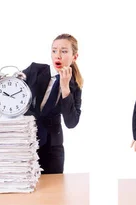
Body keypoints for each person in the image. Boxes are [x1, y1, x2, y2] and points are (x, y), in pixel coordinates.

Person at [23, 33, 83, 174]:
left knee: (53, 192)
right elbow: (13, 88)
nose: (58, 55)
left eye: (64, 51)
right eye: (54, 50)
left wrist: (65, 88)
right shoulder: (34, 70)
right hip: (25, 141)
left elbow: (71, 122)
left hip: (52, 149)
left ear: (74, 57)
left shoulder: (75, 87)